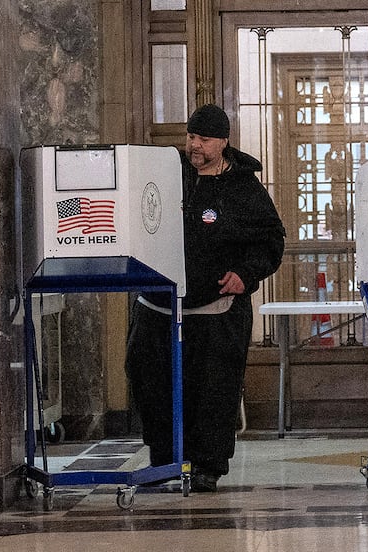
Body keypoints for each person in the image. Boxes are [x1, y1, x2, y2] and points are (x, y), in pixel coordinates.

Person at [125, 104, 286, 492]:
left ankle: (207, 466)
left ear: (224, 142)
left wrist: (244, 275)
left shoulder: (245, 187)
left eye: (204, 140)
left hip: (216, 309)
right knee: (151, 381)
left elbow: (271, 242)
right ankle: (164, 460)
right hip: (159, 304)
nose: (195, 146)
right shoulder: (167, 173)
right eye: (191, 137)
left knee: (212, 390)